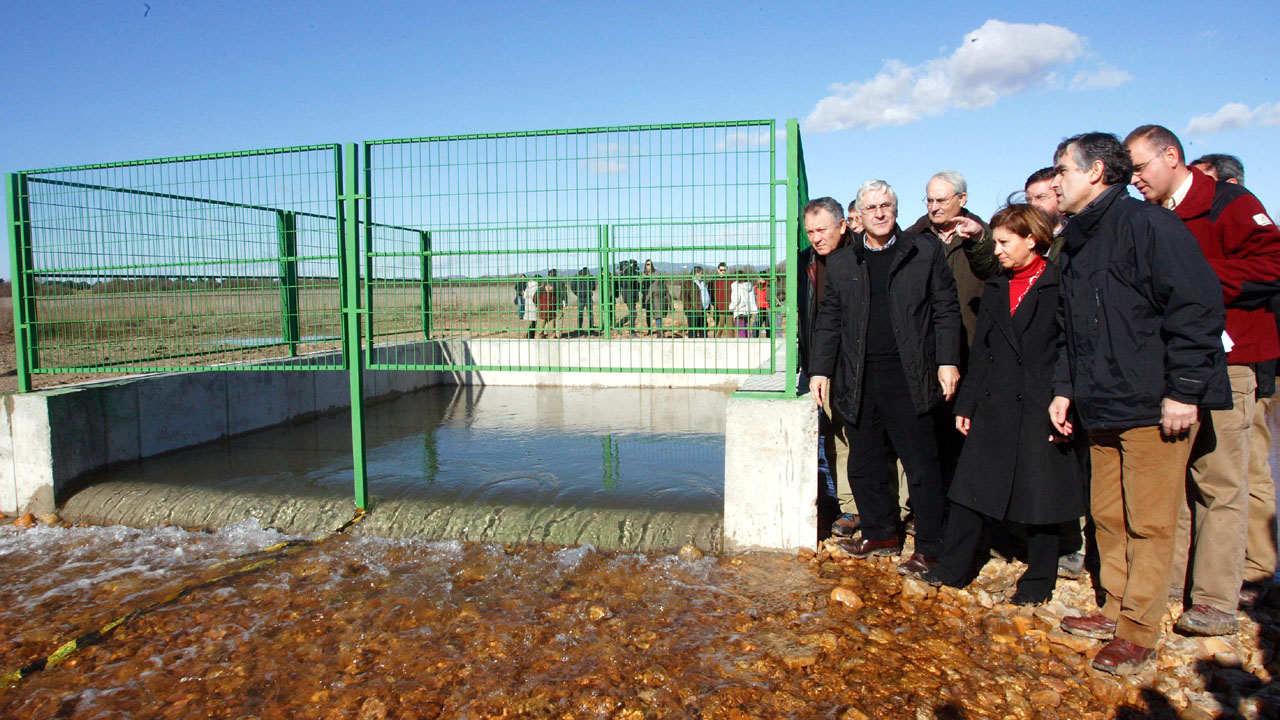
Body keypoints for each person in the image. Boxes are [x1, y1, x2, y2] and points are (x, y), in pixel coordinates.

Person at [1049, 132, 1229, 676]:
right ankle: (1113, 607)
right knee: (1108, 514)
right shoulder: (1076, 241)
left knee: (1150, 522)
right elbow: (1069, 328)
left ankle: (1138, 631)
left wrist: (1184, 391)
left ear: (1096, 172)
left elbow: (1197, 308)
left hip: (1153, 404)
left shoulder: (1150, 226)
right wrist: (1065, 388)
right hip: (1100, 402)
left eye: (1063, 170)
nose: (1056, 181)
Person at [1125, 125, 1280, 631]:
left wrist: (1194, 275)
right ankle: (1174, 581)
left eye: (1140, 168)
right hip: (1169, 363)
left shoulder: (1229, 203)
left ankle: (1215, 600)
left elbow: (1272, 264)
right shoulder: (1150, 214)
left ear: (1171, 156)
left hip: (1230, 361)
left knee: (1220, 481)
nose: (1135, 180)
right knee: (1174, 479)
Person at [912, 204, 1087, 606]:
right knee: (969, 488)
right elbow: (984, 351)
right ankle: (953, 567)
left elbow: (1072, 348)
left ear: (1032, 240)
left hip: (1043, 402)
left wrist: (1066, 398)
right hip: (994, 402)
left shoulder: (1061, 283)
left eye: (1005, 242)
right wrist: (967, 404)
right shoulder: (996, 287)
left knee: (1042, 493)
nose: (997, 251)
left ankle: (1039, 580)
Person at [808, 180, 962, 576]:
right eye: (872, 207)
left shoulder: (924, 251)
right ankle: (880, 534)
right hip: (858, 377)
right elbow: (830, 320)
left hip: (911, 375)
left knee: (921, 465)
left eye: (886, 205)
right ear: (858, 215)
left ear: (895, 208)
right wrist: (820, 369)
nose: (879, 213)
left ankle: (930, 547)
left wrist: (948, 361)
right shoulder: (843, 263)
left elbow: (946, 309)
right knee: (865, 462)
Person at [1191, 153, 1280, 607]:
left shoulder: (1238, 212)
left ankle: (1258, 567)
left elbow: (1267, 278)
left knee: (1250, 468)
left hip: (1248, 360)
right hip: (1219, 359)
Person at [799, 197, 859, 537]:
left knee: (872, 437)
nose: (816, 238)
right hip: (823, 366)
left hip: (859, 361)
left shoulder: (861, 257)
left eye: (822, 230)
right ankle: (850, 507)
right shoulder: (804, 263)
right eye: (810, 232)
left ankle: (898, 510)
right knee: (835, 437)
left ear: (842, 225)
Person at [905, 170, 999, 345]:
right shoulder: (910, 239)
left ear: (962, 199)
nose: (934, 207)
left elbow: (994, 272)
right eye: (930, 200)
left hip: (976, 341)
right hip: (928, 343)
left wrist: (979, 241)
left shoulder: (988, 235)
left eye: (941, 200)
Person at [1024, 168, 1067, 261]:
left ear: (1060, 196)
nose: (1033, 205)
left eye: (1041, 197)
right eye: (1029, 200)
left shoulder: (1075, 236)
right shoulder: (1025, 239)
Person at [643, 263, 671, 338]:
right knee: (657, 317)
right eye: (647, 264)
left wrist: (646, 301)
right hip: (659, 302)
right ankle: (658, 331)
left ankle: (659, 333)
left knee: (657, 317)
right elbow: (668, 294)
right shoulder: (663, 285)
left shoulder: (654, 285)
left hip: (655, 302)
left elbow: (649, 294)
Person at [615, 260, 640, 336]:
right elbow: (626, 284)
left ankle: (620, 325)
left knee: (633, 313)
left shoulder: (629, 273)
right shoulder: (626, 274)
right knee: (633, 314)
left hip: (632, 295)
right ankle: (630, 330)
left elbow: (636, 285)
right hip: (628, 296)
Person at [729, 268, 757, 338]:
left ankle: (743, 343)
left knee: (741, 330)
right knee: (747, 329)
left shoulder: (736, 285)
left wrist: (731, 307)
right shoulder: (749, 285)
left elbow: (736, 299)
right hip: (747, 311)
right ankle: (748, 342)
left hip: (739, 310)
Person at [687, 266, 711, 338]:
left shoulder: (702, 282)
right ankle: (692, 344)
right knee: (693, 330)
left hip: (702, 310)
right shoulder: (688, 283)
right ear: (696, 273)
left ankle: (703, 343)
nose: (702, 275)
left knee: (703, 329)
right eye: (701, 273)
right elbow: (684, 297)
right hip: (693, 311)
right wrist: (690, 308)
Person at [570, 267, 596, 334]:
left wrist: (577, 293)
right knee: (590, 313)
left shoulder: (577, 277)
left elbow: (572, 287)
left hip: (580, 297)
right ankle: (591, 328)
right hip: (588, 297)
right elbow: (593, 287)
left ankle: (580, 328)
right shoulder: (590, 277)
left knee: (580, 313)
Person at [711, 262, 733, 337]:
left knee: (730, 327)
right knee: (719, 327)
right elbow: (711, 293)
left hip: (729, 307)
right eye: (721, 270)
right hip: (718, 308)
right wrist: (714, 303)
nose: (723, 272)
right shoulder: (714, 281)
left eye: (724, 270)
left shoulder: (730, 281)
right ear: (718, 270)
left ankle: (732, 341)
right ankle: (716, 340)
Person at [640, 259, 658, 333]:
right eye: (647, 264)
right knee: (648, 313)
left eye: (650, 264)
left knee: (657, 312)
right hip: (646, 295)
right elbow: (640, 283)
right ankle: (649, 329)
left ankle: (658, 329)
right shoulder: (643, 273)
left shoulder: (655, 273)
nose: (649, 266)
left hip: (655, 296)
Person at [754, 273, 772, 338]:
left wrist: (766, 282)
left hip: (767, 307)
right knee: (756, 325)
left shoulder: (768, 286)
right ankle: (755, 338)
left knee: (768, 325)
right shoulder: (757, 287)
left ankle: (769, 338)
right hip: (760, 308)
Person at [523, 275, 541, 339]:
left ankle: (530, 335)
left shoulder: (528, 286)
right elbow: (536, 297)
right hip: (534, 305)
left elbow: (524, 296)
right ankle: (530, 335)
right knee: (534, 322)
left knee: (533, 322)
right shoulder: (536, 287)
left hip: (528, 305)